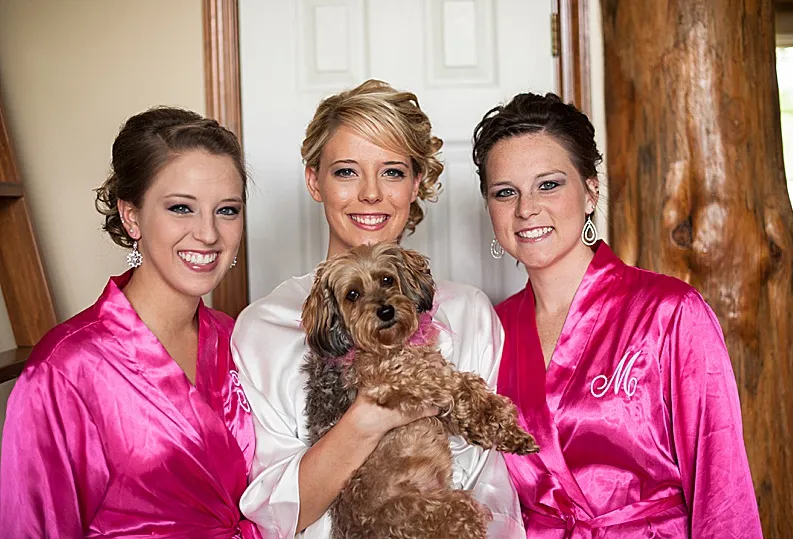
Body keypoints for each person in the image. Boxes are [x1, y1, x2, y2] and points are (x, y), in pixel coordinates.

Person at [232, 79, 524, 538]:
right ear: (314, 180)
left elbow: (488, 487)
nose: (371, 194)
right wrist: (368, 418)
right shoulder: (262, 328)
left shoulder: (468, 312)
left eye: (391, 171)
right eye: (346, 172)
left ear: (417, 183)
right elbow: (279, 511)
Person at [471, 91, 763, 538]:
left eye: (548, 184)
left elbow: (721, 488)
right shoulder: (488, 329)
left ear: (591, 191)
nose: (526, 209)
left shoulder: (670, 312)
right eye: (505, 192)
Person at [0, 107, 261, 538]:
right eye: (181, 208)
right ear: (131, 216)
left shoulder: (238, 339)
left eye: (227, 210)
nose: (209, 234)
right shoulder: (64, 369)